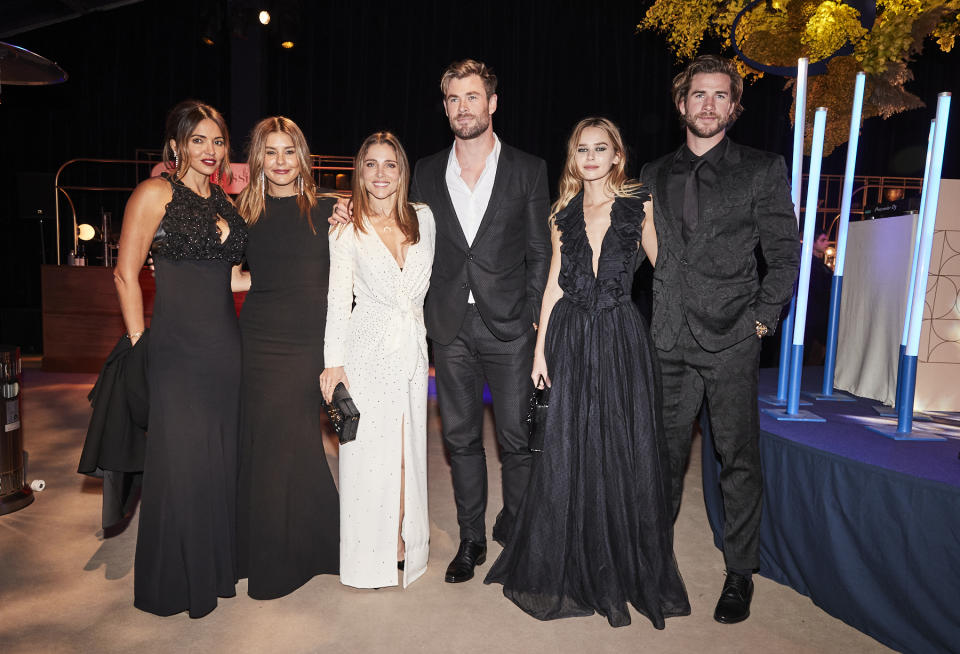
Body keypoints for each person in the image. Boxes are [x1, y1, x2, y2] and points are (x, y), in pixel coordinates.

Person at [331, 59, 551, 584]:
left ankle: (518, 533)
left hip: (510, 328)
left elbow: (541, 252)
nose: (463, 108)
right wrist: (339, 209)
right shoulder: (426, 172)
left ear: (492, 103)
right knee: (460, 439)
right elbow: (381, 212)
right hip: (448, 329)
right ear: (446, 106)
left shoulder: (528, 169)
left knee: (518, 439)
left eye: (472, 97)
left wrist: (533, 315)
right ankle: (472, 539)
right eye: (453, 99)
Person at [484, 118, 690, 628]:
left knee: (620, 447)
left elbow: (665, 273)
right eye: (583, 149)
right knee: (568, 446)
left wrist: (674, 334)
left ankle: (620, 565)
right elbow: (553, 286)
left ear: (617, 155)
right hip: (570, 338)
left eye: (602, 148)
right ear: (573, 158)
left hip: (621, 338)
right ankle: (570, 558)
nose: (592, 157)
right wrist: (539, 355)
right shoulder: (562, 213)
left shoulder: (638, 206)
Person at [639, 55, 800, 624]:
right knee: (661, 459)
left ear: (734, 106)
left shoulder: (762, 169)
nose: (708, 105)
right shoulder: (653, 172)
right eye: (698, 95)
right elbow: (631, 246)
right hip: (668, 338)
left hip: (734, 338)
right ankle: (653, 561)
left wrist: (760, 321)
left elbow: (784, 257)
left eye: (720, 96)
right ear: (681, 104)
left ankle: (739, 573)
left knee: (737, 459)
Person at [114, 100, 248, 617]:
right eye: (199, 140)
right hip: (175, 351)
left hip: (225, 350)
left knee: (218, 459)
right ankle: (175, 581)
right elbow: (126, 273)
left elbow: (231, 277)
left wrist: (287, 285)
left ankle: (212, 571)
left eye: (217, 141)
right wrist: (139, 342)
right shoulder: (154, 193)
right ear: (176, 144)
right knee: (182, 463)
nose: (210, 151)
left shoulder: (223, 200)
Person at [320, 132, 435, 589]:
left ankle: (406, 538)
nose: (381, 173)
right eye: (371, 164)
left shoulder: (424, 218)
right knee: (368, 455)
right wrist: (334, 363)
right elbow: (336, 299)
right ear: (359, 172)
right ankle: (373, 550)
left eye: (390, 164)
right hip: (365, 349)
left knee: (408, 452)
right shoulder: (346, 229)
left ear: (402, 171)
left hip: (412, 347)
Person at [235, 116, 339, 599]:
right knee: (268, 444)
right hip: (258, 337)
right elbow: (234, 276)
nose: (280, 162)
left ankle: (306, 549)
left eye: (288, 151)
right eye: (270, 152)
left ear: (302, 157)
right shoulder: (243, 214)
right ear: (258, 159)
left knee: (293, 438)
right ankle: (276, 551)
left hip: (307, 342)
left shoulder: (330, 209)